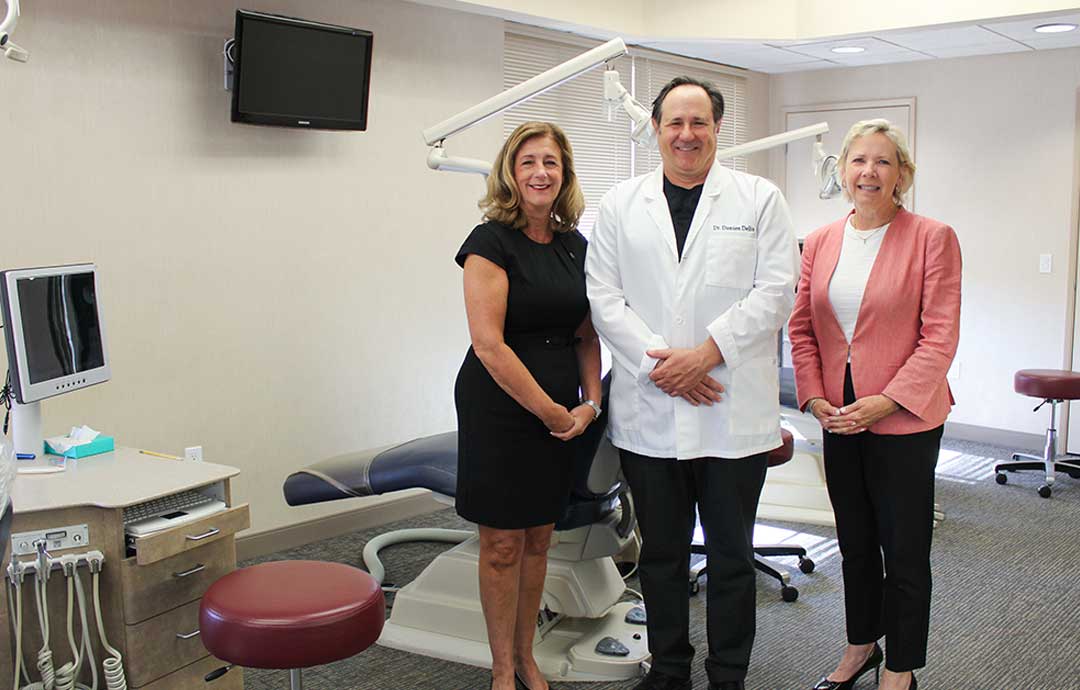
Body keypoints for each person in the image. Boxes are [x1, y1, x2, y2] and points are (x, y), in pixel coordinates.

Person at [585, 76, 798, 690]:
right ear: (656, 128)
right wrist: (666, 367)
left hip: (732, 414)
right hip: (651, 410)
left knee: (732, 556)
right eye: (674, 123)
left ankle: (728, 674)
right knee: (660, 555)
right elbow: (604, 298)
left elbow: (776, 291)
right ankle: (670, 668)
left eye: (698, 122)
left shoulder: (759, 199)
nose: (686, 135)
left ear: (717, 129)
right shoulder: (622, 204)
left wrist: (705, 354)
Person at [788, 119, 961, 690]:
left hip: (905, 421)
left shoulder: (932, 237)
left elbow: (939, 338)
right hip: (839, 418)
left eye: (883, 162)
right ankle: (860, 645)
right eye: (858, 160)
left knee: (904, 552)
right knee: (855, 543)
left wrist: (885, 402)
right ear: (841, 171)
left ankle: (901, 666)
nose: (869, 172)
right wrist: (814, 397)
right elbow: (803, 329)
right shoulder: (819, 241)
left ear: (902, 175)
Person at [454, 121, 603, 690]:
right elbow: (489, 344)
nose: (540, 172)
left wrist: (590, 402)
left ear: (564, 175)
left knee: (541, 537)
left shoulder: (574, 245)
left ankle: (526, 656)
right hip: (501, 407)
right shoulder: (488, 242)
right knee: (501, 544)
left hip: (563, 408)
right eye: (528, 163)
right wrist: (549, 412)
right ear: (510, 174)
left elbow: (587, 336)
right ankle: (500, 669)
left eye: (551, 163)